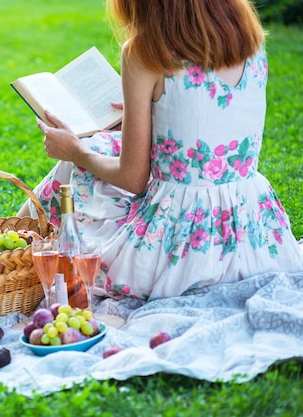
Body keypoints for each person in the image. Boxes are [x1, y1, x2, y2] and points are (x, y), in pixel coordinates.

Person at [19, 0, 303, 301]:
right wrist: (145, 112)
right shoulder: (250, 39)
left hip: (179, 238)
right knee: (102, 144)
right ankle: (12, 240)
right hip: (253, 230)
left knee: (82, 155)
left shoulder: (146, 51)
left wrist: (75, 150)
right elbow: (207, 121)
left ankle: (14, 245)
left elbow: (132, 179)